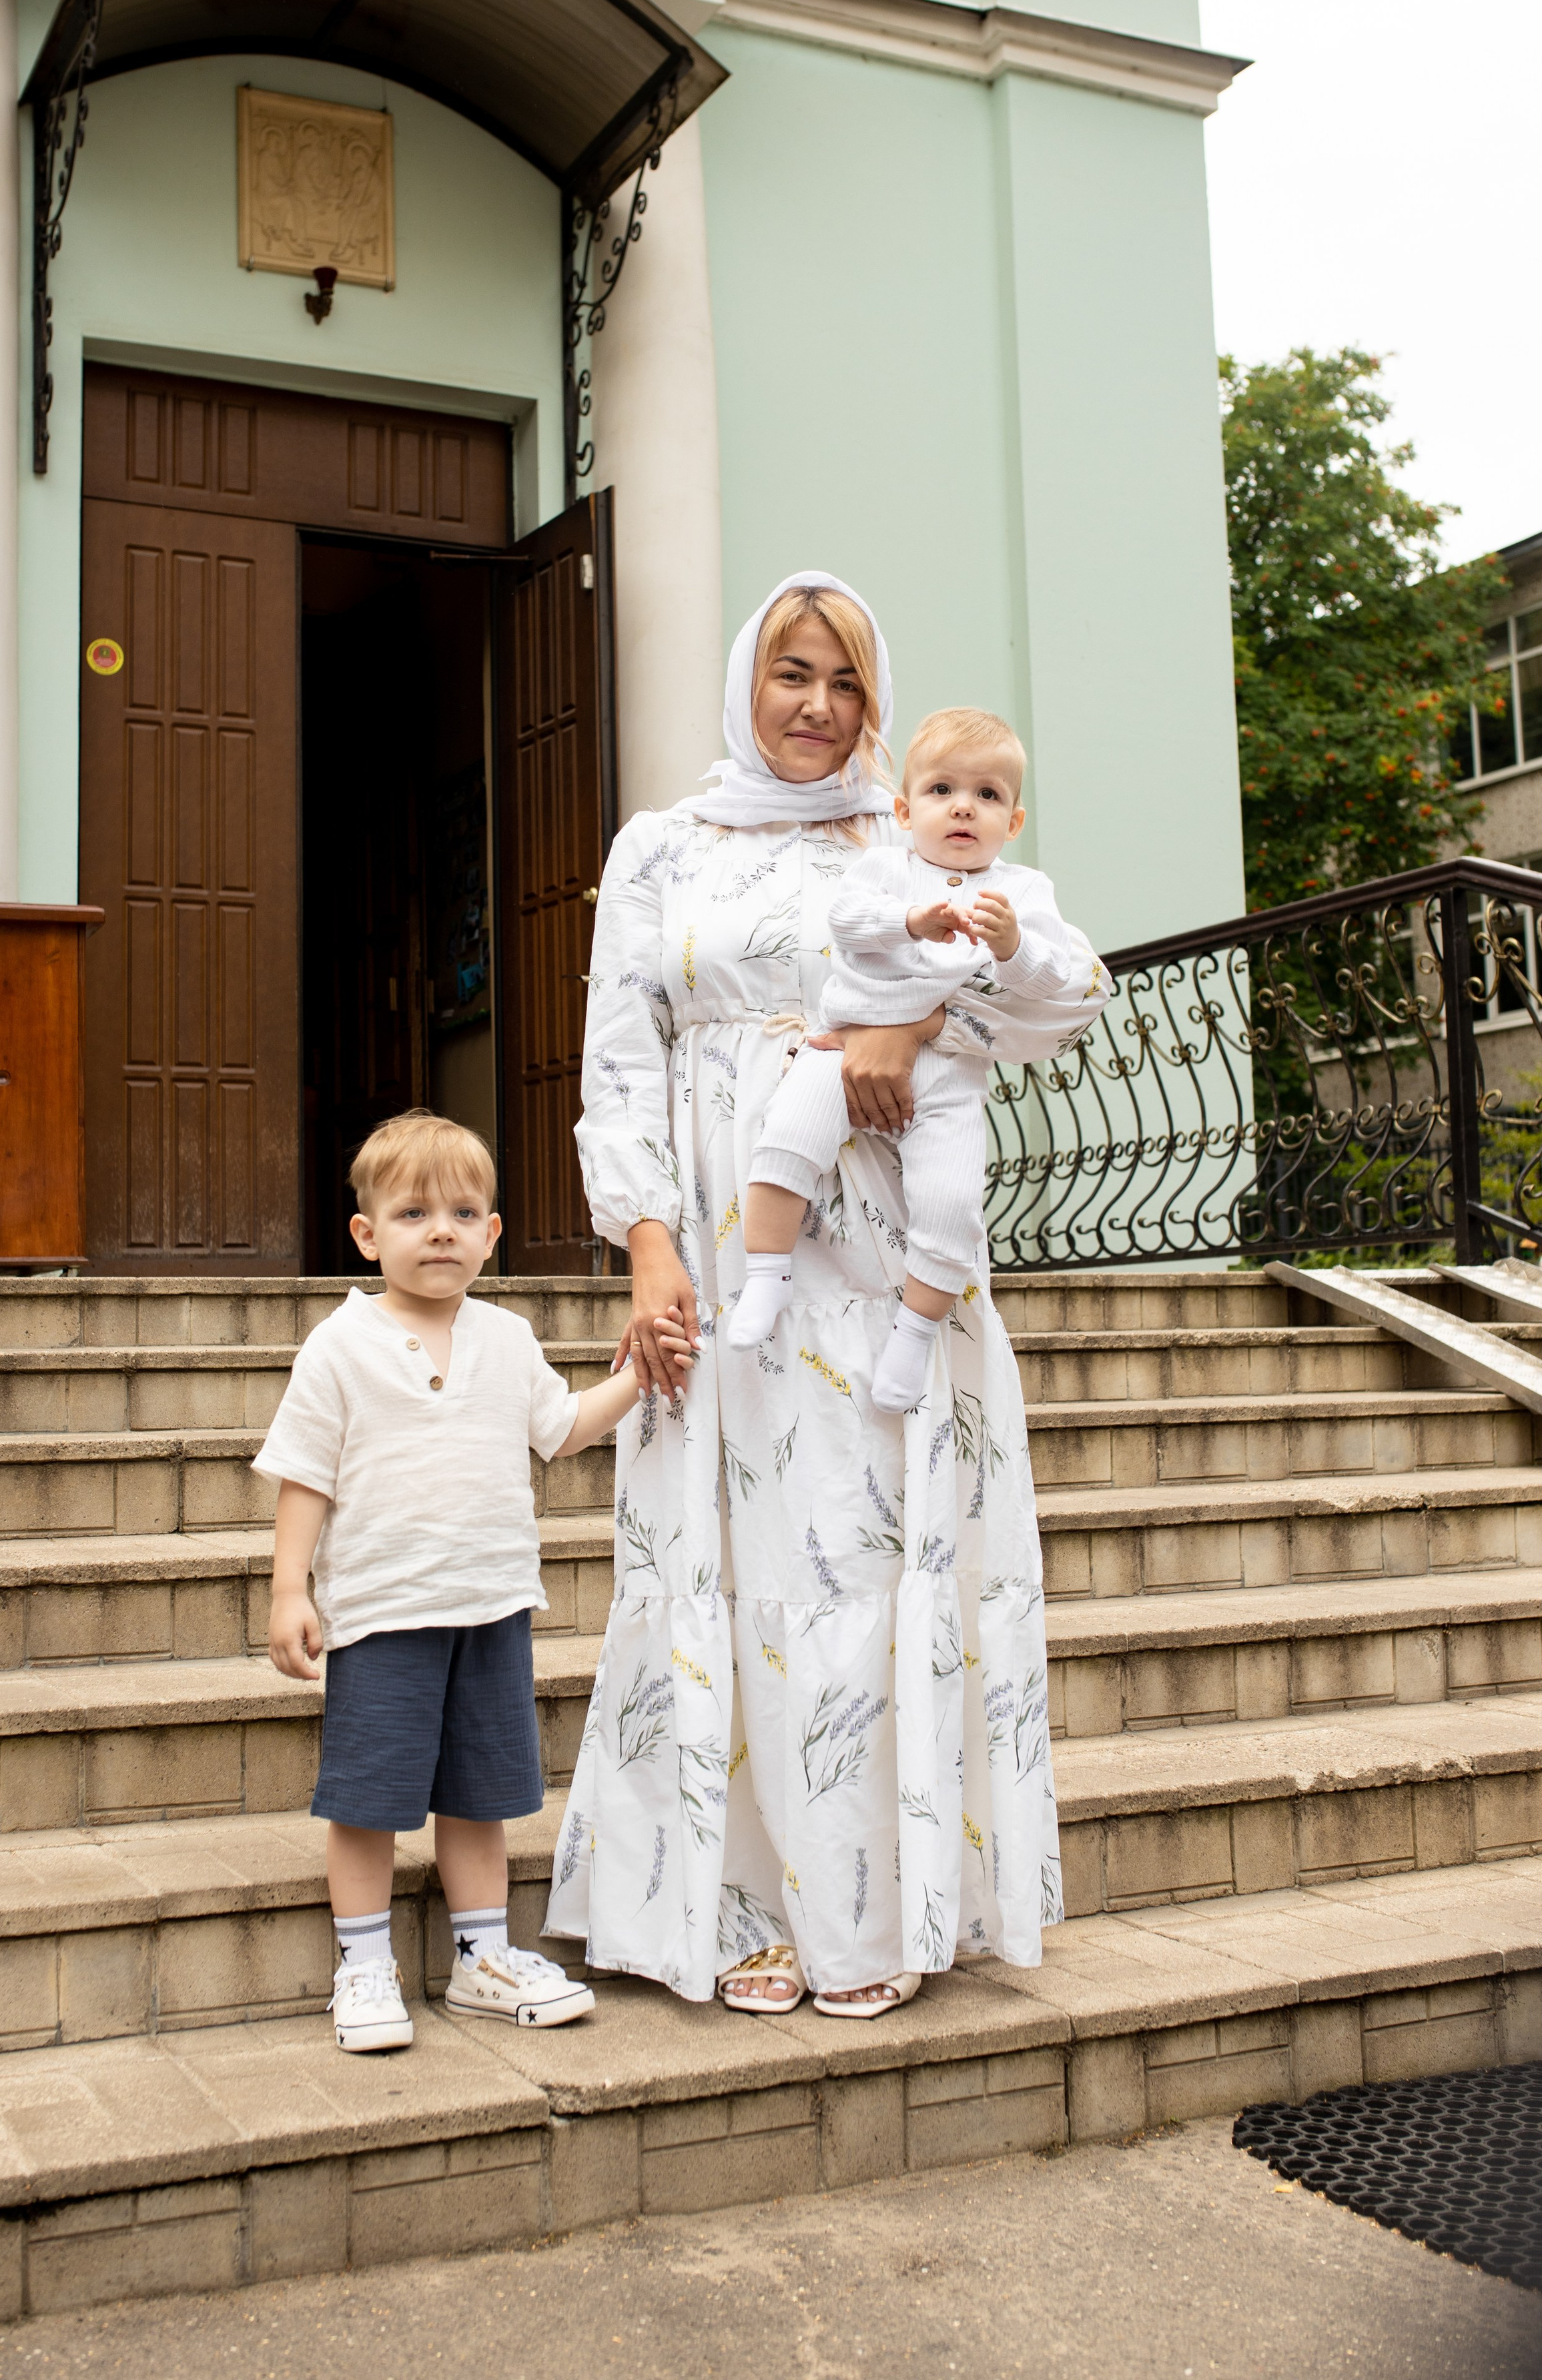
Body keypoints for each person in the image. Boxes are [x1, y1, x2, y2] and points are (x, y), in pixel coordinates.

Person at [544, 571, 1110, 2019]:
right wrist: (651, 1244)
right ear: (746, 682)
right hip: (740, 1254)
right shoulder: (662, 845)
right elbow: (618, 1055)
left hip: (886, 1244)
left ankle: (877, 1915)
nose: (816, 707)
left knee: (864, 1563)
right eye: (791, 675)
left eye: (844, 683)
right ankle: (737, 1906)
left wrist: (908, 1021)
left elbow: (1062, 992)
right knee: (734, 1560)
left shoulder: (913, 826)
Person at [258, 1108, 689, 2052]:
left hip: (491, 1606)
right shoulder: (341, 1345)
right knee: (367, 1801)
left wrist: (639, 1373)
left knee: (481, 1797)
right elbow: (305, 1473)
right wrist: (292, 1587)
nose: (441, 1229)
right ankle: (365, 1963)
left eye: (462, 1212)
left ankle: (481, 1958)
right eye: (413, 1214)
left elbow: (562, 1428)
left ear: (493, 1235)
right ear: (368, 1235)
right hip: (382, 1612)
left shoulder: (505, 1337)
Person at [727, 706, 1098, 1415]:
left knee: (951, 1204)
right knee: (786, 1139)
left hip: (951, 1073)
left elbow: (1056, 982)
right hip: (846, 1041)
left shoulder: (1022, 893)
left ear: (1012, 822)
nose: (964, 806)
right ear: (903, 810)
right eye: (941, 791)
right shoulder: (885, 868)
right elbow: (846, 921)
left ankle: (914, 1329)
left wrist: (1014, 946)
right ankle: (766, 1273)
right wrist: (910, 921)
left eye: (987, 795)